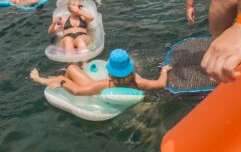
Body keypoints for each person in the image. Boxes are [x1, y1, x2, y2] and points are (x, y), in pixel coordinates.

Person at [30, 48, 170, 95]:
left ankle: (38, 79)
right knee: (71, 71)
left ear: (110, 73)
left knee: (69, 70)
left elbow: (77, 92)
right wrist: (164, 70)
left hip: (93, 95)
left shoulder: (104, 84)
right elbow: (161, 83)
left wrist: (62, 83)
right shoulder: (139, 83)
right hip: (110, 97)